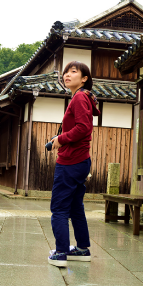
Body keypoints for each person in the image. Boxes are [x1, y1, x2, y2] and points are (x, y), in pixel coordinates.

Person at [47, 62, 100, 268]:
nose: (67, 74)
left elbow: (83, 128)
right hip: (81, 161)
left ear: (84, 78)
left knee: (59, 208)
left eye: (73, 71)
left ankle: (61, 253)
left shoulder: (79, 97)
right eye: (66, 72)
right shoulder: (84, 97)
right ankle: (82, 249)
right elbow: (80, 128)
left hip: (70, 162)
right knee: (76, 208)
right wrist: (58, 137)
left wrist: (61, 140)